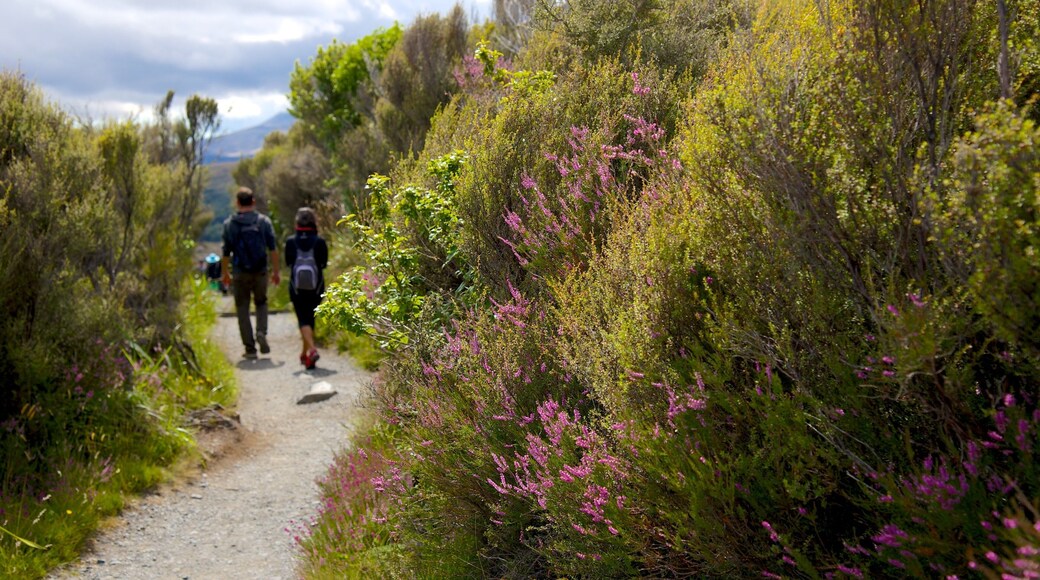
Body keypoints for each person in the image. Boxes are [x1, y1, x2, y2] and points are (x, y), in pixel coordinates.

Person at [221, 187, 280, 359]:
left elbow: (225, 252)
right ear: (253, 201)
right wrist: (275, 271)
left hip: (240, 272)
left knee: (242, 309)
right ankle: (261, 332)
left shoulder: (229, 224)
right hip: (260, 271)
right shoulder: (263, 221)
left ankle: (250, 349)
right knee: (261, 303)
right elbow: (273, 249)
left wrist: (225, 272)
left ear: (237, 203)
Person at [285, 207, 328, 370]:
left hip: (296, 288)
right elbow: (323, 264)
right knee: (310, 320)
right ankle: (306, 354)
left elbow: (289, 263)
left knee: (303, 319)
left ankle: (310, 350)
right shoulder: (320, 242)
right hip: (316, 287)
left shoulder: (290, 242)